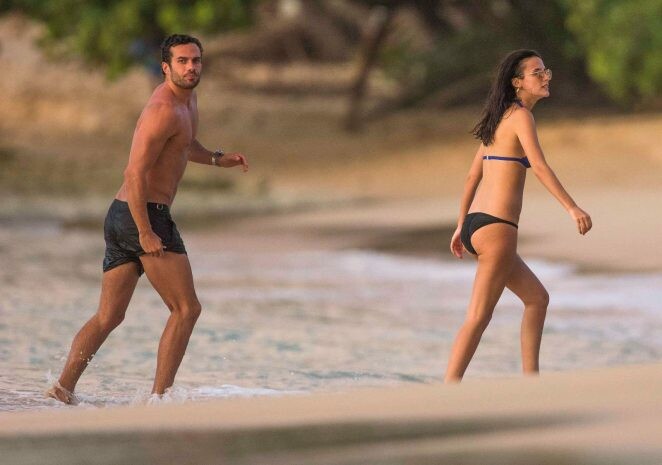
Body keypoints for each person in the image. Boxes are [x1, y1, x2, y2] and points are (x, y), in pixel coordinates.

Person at [47, 34, 248, 404]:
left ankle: (61, 390)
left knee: (109, 316)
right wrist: (145, 232)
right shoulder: (163, 110)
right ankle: (160, 399)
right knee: (186, 309)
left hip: (122, 214)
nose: (191, 67)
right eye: (183, 61)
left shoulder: (188, 101)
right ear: (165, 67)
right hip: (143, 215)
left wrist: (217, 159)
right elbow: (134, 173)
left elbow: (184, 145)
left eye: (196, 60)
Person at [445, 49, 592, 383]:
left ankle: (531, 382)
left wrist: (461, 225)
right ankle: (447, 390)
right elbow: (538, 165)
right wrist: (572, 207)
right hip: (497, 228)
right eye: (536, 73)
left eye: (546, 71)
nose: (545, 77)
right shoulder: (521, 117)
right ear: (517, 83)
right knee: (478, 316)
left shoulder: (500, 118)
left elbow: (472, 177)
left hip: (476, 225)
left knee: (537, 298)